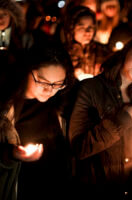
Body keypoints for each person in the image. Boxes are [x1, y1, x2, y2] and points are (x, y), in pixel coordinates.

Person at [68, 32, 132, 200]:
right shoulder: (90, 89)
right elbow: (79, 148)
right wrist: (121, 122)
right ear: (127, 50)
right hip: (97, 191)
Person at [5, 44, 74, 200]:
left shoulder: (58, 104)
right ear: (27, 71)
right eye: (43, 82)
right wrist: (11, 153)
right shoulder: (6, 107)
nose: (49, 90)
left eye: (57, 84)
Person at [61, 5, 111, 80]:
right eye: (82, 27)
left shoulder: (103, 51)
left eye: (91, 27)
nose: (88, 32)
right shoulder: (62, 53)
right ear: (71, 29)